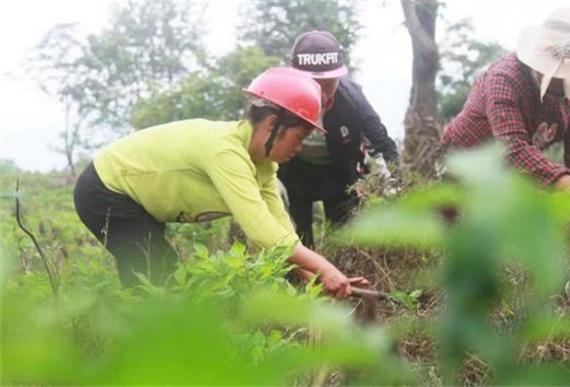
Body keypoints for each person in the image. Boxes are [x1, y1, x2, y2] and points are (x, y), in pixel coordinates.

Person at [73, 67, 367, 297]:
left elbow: (279, 228)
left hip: (137, 201)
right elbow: (261, 231)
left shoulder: (263, 165)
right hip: (106, 190)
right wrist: (325, 268)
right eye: (299, 137)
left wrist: (312, 276)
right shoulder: (225, 151)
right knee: (156, 280)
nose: (300, 147)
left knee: (161, 278)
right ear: (273, 125)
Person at [439, 8, 570, 190]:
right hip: (462, 161)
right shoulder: (505, 78)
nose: (561, 79)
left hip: (510, 175)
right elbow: (512, 147)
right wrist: (569, 186)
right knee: (452, 215)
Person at [278, 30, 400, 248]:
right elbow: (258, 140)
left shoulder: (353, 100)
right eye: (312, 83)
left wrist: (393, 189)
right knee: (297, 240)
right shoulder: (278, 98)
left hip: (339, 175)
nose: (322, 94)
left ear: (339, 77)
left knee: (343, 241)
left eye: (328, 84)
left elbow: (382, 145)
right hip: (294, 176)